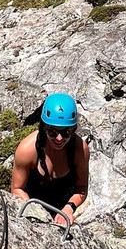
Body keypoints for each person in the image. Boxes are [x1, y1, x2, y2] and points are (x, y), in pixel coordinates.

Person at [11, 93, 90, 226]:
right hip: (30, 210)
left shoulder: (80, 150)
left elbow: (81, 187)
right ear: (44, 127)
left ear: (74, 129)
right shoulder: (27, 150)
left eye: (66, 132)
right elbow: (17, 189)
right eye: (53, 131)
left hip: (62, 212)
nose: (59, 138)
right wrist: (34, 212)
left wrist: (69, 207)